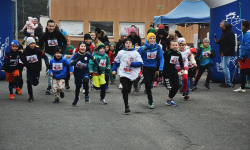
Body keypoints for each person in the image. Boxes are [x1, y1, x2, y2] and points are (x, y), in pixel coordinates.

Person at [112, 38, 143, 113]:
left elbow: (141, 63)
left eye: (129, 43)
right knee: (125, 89)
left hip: (132, 74)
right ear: (124, 44)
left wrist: (131, 64)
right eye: (126, 43)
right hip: (123, 73)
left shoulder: (135, 53)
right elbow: (116, 62)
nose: (128, 44)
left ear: (132, 44)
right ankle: (126, 106)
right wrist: (114, 69)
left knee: (128, 89)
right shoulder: (120, 53)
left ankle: (127, 91)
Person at [39, 20, 67, 95]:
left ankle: (61, 84)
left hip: (58, 54)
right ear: (47, 26)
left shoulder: (58, 33)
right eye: (50, 26)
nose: (51, 28)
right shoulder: (44, 35)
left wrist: (62, 51)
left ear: (55, 26)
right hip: (48, 54)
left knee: (60, 69)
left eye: (52, 26)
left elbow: (64, 42)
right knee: (49, 70)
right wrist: (40, 52)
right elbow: (40, 44)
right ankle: (49, 86)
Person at [137, 33, 164, 109]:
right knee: (148, 85)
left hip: (154, 68)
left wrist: (161, 69)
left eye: (153, 38)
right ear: (148, 39)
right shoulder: (143, 48)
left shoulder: (158, 47)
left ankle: (143, 78)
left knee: (151, 81)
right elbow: (136, 56)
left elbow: (161, 58)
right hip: (145, 67)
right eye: (150, 38)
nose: (152, 40)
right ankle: (150, 100)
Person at [70, 42, 100, 106]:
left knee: (85, 80)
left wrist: (98, 67)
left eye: (84, 46)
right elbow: (71, 63)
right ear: (79, 47)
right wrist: (77, 60)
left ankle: (86, 95)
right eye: (81, 46)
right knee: (78, 87)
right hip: (77, 73)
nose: (83, 47)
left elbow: (94, 59)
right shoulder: (76, 55)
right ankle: (76, 98)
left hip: (85, 71)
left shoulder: (87, 54)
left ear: (85, 48)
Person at [23, 37, 49, 101]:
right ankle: (30, 96)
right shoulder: (25, 51)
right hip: (29, 69)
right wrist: (25, 63)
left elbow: (45, 56)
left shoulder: (38, 51)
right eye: (30, 44)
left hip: (36, 69)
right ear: (28, 44)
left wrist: (47, 63)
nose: (32, 45)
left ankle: (34, 81)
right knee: (29, 81)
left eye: (33, 44)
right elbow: (22, 59)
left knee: (35, 83)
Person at [163, 40, 184, 106]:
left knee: (176, 86)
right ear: (170, 46)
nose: (175, 46)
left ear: (178, 46)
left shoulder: (178, 53)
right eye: (173, 45)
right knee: (170, 87)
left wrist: (182, 69)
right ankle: (165, 82)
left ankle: (169, 100)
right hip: (166, 71)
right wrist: (160, 70)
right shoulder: (167, 52)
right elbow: (161, 60)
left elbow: (181, 62)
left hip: (173, 71)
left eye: (176, 45)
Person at [215, 20, 235, 87]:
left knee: (225, 67)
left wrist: (225, 52)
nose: (219, 25)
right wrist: (219, 42)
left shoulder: (229, 32)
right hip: (223, 52)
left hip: (227, 53)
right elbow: (225, 43)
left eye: (220, 24)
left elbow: (232, 44)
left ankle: (228, 82)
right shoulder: (224, 32)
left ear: (223, 25)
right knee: (225, 67)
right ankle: (226, 81)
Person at [234, 21, 250, 92]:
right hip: (246, 55)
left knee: (247, 72)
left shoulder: (247, 34)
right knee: (243, 72)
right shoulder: (246, 33)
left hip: (247, 56)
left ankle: (242, 87)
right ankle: (242, 87)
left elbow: (247, 45)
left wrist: (243, 55)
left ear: (243, 26)